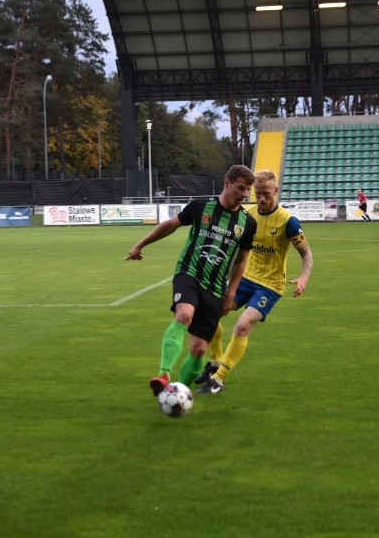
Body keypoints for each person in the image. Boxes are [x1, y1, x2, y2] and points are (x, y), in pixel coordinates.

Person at [126, 165, 257, 397]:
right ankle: (164, 374)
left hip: (216, 288)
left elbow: (242, 259)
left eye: (247, 190)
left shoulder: (247, 223)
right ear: (227, 183)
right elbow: (170, 225)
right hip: (189, 273)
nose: (244, 194)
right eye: (240, 188)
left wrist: (230, 293)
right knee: (184, 314)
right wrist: (140, 244)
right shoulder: (200, 206)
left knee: (198, 349)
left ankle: (178, 393)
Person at [194, 170, 313, 394]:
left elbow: (306, 253)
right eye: (257, 194)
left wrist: (304, 276)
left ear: (276, 191)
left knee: (242, 326)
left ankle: (218, 379)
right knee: (209, 315)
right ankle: (215, 362)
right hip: (245, 279)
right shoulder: (247, 216)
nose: (261, 199)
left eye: (266, 193)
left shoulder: (288, 222)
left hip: (270, 285)